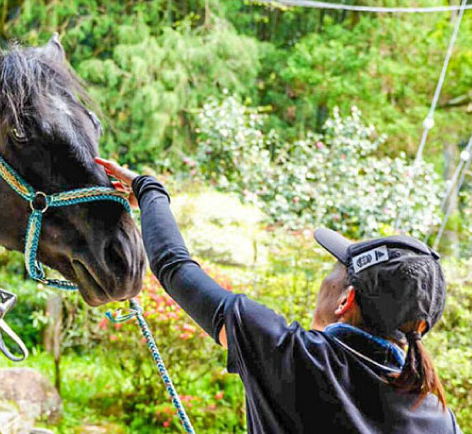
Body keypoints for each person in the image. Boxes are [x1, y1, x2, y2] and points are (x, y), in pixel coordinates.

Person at [95, 158, 460, 433]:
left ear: (345, 301)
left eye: (331, 272)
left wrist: (149, 189)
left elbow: (175, 267)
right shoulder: (441, 418)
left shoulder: (295, 358)